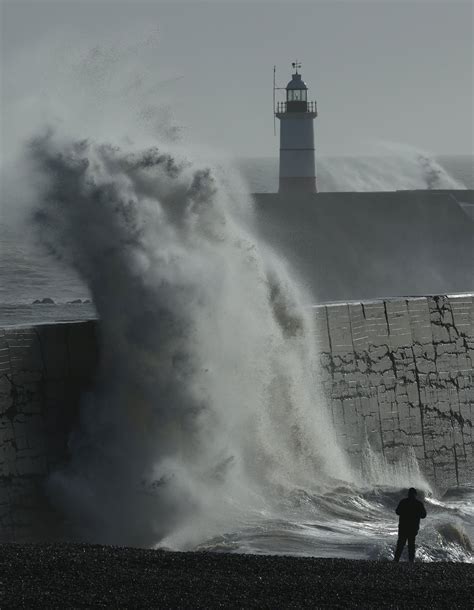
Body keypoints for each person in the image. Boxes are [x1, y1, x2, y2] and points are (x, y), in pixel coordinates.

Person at [394, 487, 427, 562]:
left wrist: (405, 512)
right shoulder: (418, 504)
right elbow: (424, 515)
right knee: (411, 545)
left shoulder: (403, 502)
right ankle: (410, 561)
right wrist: (416, 513)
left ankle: (396, 560)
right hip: (413, 527)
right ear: (415, 495)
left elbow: (397, 512)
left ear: (408, 494)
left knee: (400, 544)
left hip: (403, 527)